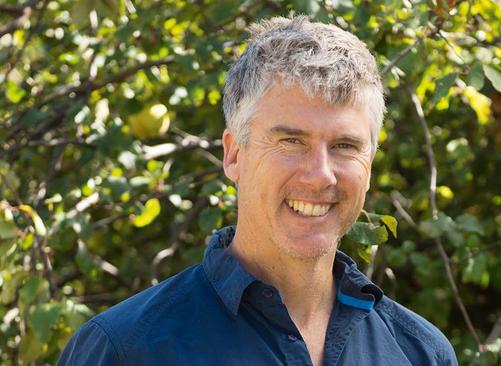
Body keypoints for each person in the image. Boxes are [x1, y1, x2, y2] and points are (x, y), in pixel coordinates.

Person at [58, 16, 458, 366]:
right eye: (291, 142)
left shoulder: (421, 352)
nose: (320, 176)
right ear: (234, 155)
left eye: (345, 146)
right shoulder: (124, 350)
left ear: (369, 166)